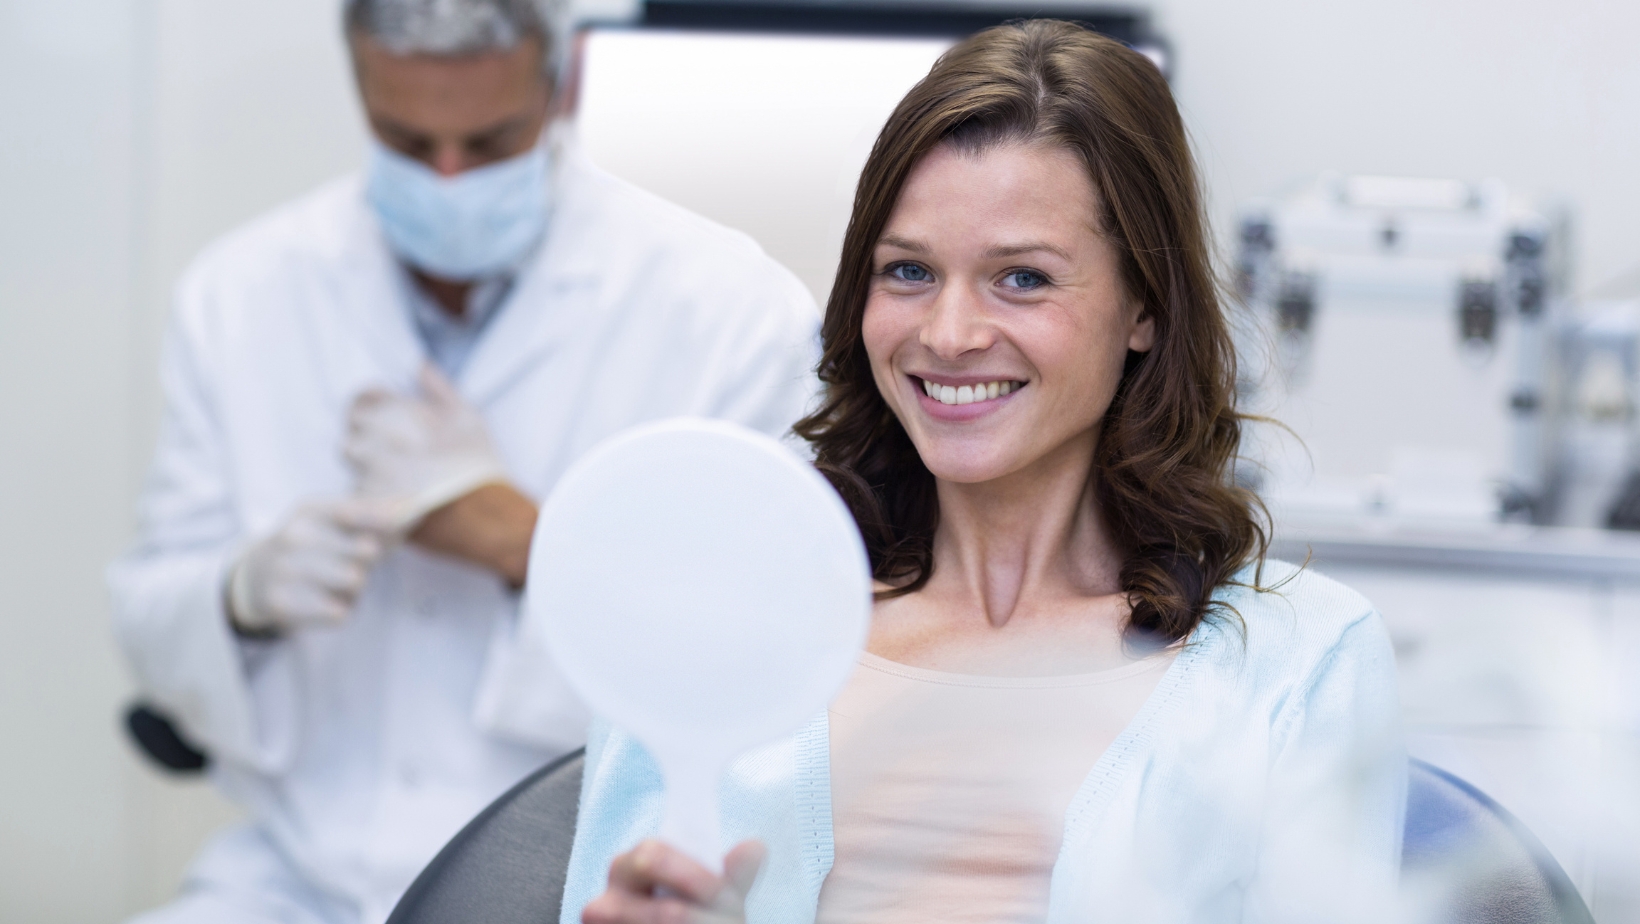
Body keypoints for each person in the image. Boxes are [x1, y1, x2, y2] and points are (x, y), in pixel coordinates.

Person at [561, 20, 1405, 924]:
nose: (950, 334)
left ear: (1144, 309)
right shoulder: (712, 631)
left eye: (1023, 280)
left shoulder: (1302, 665)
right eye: (910, 271)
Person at [107, 1, 819, 921]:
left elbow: (765, 662)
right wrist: (240, 598)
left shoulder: (729, 312)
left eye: (488, 142)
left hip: (580, 872)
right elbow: (150, 613)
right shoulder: (240, 293)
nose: (447, 177)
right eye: (407, 140)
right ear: (361, 87)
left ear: (559, 87)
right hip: (295, 879)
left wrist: (523, 538)